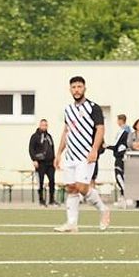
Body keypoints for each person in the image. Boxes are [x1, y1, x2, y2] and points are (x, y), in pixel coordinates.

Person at [54, 76, 110, 232]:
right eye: (74, 87)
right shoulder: (68, 110)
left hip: (85, 155)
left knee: (82, 187)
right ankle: (72, 223)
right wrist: (59, 153)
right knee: (71, 188)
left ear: (84, 88)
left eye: (79, 86)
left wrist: (94, 149)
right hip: (70, 156)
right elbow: (66, 131)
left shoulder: (93, 108)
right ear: (70, 90)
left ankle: (103, 209)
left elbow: (100, 129)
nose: (76, 90)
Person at [29, 119, 57, 206]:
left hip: (50, 163)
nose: (44, 127)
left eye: (45, 125)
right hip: (40, 163)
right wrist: (34, 159)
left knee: (52, 181)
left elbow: (52, 148)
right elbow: (31, 149)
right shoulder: (35, 137)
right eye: (43, 125)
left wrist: (55, 160)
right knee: (40, 182)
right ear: (39, 125)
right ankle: (41, 199)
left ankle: (52, 200)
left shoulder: (49, 137)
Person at [106, 114, 130, 205]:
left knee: (119, 176)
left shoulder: (124, 131)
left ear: (121, 120)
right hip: (120, 156)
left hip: (121, 158)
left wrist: (106, 146)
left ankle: (125, 196)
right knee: (120, 176)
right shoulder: (124, 131)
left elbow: (117, 146)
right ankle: (123, 196)